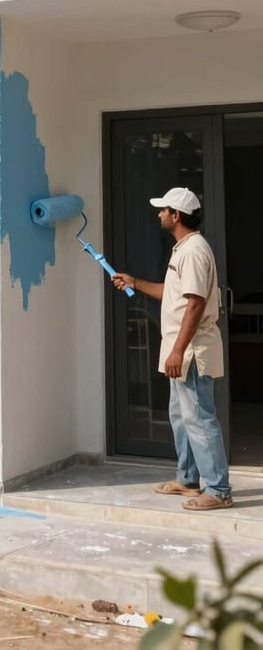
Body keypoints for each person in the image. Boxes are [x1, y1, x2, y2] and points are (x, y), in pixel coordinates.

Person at [112, 186, 232, 511]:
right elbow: (173, 291)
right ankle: (189, 480)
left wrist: (178, 351)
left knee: (200, 419)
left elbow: (195, 304)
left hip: (190, 351)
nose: (159, 214)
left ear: (176, 215)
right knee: (180, 416)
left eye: (163, 210)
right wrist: (134, 282)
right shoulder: (183, 249)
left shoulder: (193, 251)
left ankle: (218, 489)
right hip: (180, 349)